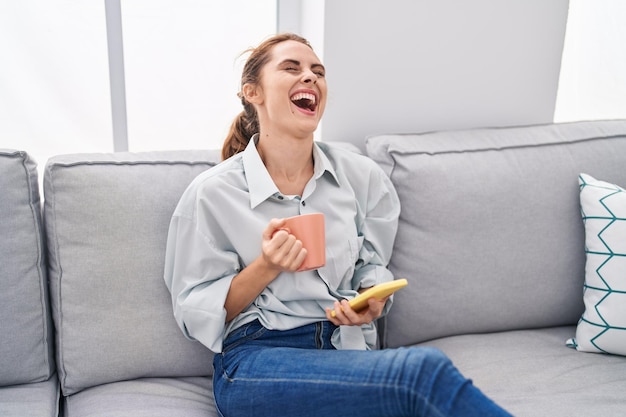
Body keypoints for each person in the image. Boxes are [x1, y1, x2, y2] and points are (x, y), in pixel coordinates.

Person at [164, 33, 511, 417]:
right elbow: (198, 312)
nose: (310, 78)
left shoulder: (361, 178)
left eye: (318, 72)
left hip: (346, 349)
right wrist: (267, 266)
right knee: (420, 373)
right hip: (257, 360)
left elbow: (370, 268)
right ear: (253, 92)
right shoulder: (212, 194)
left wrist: (370, 302)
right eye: (291, 68)